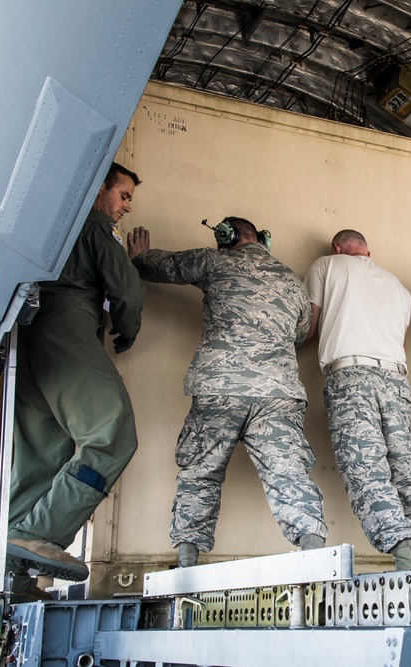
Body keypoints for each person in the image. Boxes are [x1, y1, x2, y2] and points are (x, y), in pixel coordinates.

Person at [0, 162, 146, 602]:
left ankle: (5, 587)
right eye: (124, 195)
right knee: (112, 433)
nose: (126, 207)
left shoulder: (52, 225)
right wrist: (128, 327)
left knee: (38, 461)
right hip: (67, 328)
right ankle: (41, 535)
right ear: (100, 190)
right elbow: (127, 292)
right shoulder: (97, 226)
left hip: (28, 336)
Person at [130, 217, 326, 567]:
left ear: (226, 236)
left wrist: (141, 256)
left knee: (201, 472)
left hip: (221, 389)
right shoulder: (293, 282)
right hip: (277, 394)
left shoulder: (215, 260)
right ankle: (314, 553)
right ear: (262, 240)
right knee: (289, 474)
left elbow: (168, 267)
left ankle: (188, 559)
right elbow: (301, 333)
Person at [305, 229, 411, 571]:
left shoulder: (326, 265)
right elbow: (399, 340)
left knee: (367, 471)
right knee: (409, 474)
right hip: (396, 380)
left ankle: (406, 561)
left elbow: (309, 327)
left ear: (337, 247)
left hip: (350, 377)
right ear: (368, 251)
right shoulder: (398, 287)